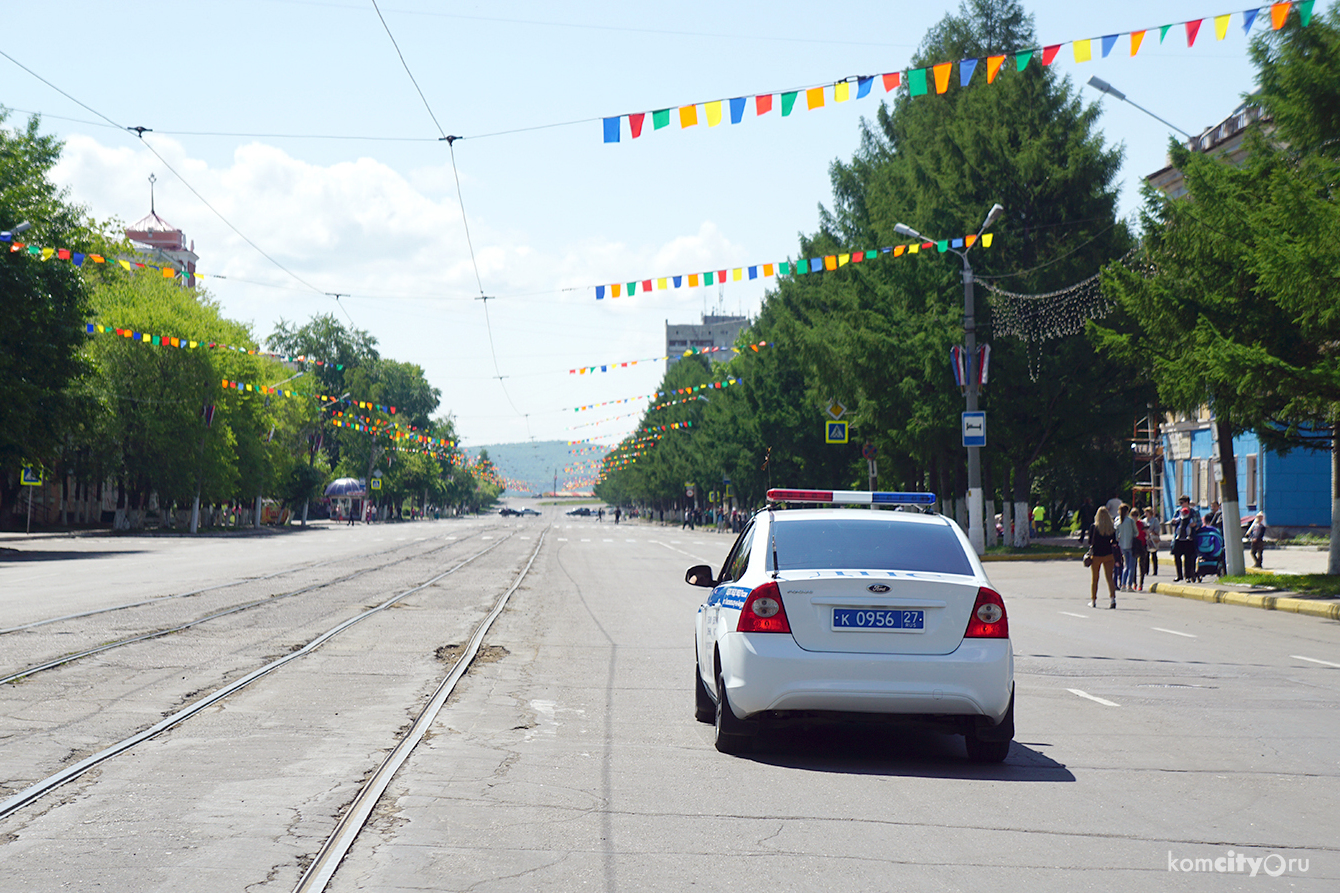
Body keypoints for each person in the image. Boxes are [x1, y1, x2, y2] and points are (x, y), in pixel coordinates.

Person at [1087, 506, 1120, 609]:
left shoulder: (1094, 527)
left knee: (1095, 578)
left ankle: (1093, 600)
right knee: (1109, 578)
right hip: (1109, 555)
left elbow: (1090, 542)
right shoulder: (1111, 528)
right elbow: (1114, 542)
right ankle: (1112, 599)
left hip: (1096, 555)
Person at [1171, 496, 1200, 582]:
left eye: (1182, 503)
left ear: (1187, 502)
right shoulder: (1178, 511)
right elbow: (1173, 522)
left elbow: (1199, 523)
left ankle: (1188, 576)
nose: (1180, 505)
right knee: (1177, 557)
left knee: (1188, 558)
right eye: (1180, 503)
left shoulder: (1194, 512)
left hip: (1189, 538)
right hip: (1179, 538)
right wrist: (1173, 521)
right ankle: (1179, 575)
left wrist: (1195, 525)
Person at [1115, 504, 1138, 592]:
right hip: (1131, 545)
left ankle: (1123, 584)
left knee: (1126, 565)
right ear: (1127, 511)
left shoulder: (1118, 521)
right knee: (1132, 566)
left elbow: (1116, 536)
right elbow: (1136, 532)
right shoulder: (1131, 521)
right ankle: (1129, 585)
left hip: (1122, 545)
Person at [1143, 506, 1161, 578]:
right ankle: (1146, 571)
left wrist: (1152, 532)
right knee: (1146, 555)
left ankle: (1155, 570)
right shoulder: (1144, 521)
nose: (1145, 514)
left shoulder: (1155, 520)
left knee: (1154, 555)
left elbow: (1157, 529)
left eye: (1146, 512)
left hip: (1153, 539)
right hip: (1147, 539)